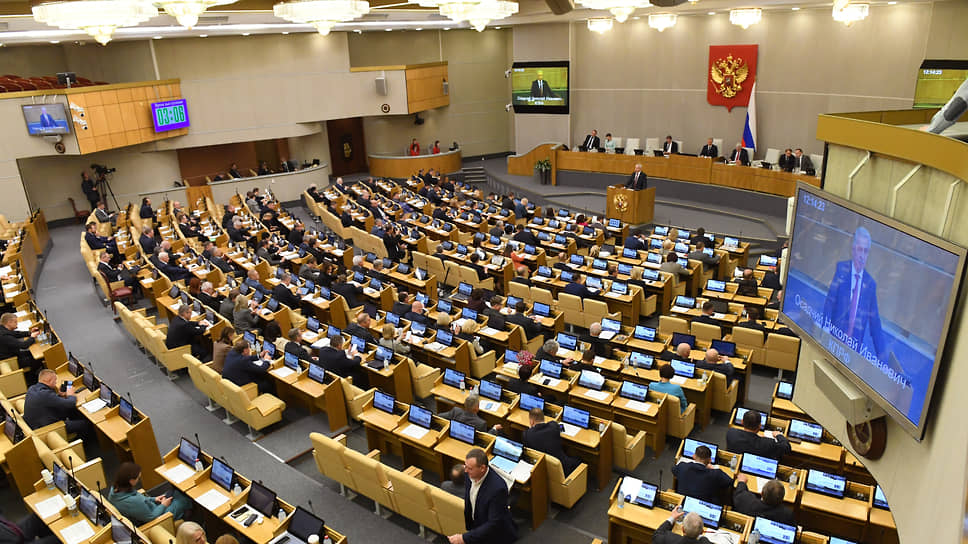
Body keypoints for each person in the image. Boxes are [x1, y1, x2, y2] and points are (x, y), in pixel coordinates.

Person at [822, 226, 887, 360]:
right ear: (853, 250)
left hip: (852, 352)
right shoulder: (841, 269)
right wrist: (824, 331)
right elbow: (830, 302)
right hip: (833, 342)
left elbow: (875, 324)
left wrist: (883, 360)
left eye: (866, 251)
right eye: (859, 249)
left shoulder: (870, 284)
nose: (862, 255)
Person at [448, 448, 517, 544]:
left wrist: (464, 538)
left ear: (482, 468)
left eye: (470, 468)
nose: (466, 471)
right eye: (465, 466)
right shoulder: (469, 474)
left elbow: (494, 523)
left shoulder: (498, 489)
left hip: (494, 536)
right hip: (477, 525)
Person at [108, 462, 191, 525]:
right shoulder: (133, 502)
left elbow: (138, 498)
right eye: (138, 478)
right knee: (183, 500)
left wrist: (154, 499)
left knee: (172, 493)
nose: (139, 480)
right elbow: (151, 517)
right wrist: (163, 505)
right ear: (131, 481)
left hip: (147, 508)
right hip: (154, 520)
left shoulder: (115, 489)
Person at [23, 369, 92, 438]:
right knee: (85, 424)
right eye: (55, 380)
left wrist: (59, 395)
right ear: (49, 381)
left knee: (71, 410)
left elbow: (50, 400)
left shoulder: (32, 389)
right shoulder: (45, 394)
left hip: (38, 422)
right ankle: (83, 441)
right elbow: (71, 403)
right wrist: (71, 394)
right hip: (49, 428)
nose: (56, 383)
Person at [523, 407, 580, 474]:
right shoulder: (554, 426)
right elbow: (561, 428)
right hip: (563, 467)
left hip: (542, 469)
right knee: (579, 459)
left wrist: (531, 429)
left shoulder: (526, 434)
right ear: (543, 418)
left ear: (531, 421)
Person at [726, 409, 792, 460]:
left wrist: (756, 437)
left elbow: (748, 439)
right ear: (760, 426)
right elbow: (786, 448)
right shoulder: (769, 443)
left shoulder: (731, 433)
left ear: (742, 422)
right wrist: (779, 435)